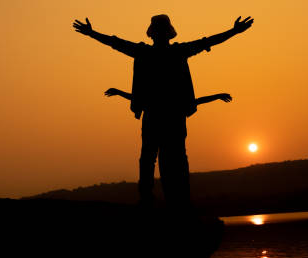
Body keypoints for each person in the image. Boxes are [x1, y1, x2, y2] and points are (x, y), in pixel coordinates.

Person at [73, 14, 253, 207]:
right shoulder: (170, 52)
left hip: (163, 116)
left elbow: (115, 43)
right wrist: (234, 31)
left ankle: (163, 199)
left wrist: (91, 33)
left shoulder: (152, 52)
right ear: (167, 33)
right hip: (167, 116)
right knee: (166, 159)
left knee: (159, 158)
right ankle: (165, 199)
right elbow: (208, 41)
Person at [104, 88, 232, 206]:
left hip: (164, 134)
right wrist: (119, 93)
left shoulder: (171, 103)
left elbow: (137, 98)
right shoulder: (166, 103)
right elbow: (195, 101)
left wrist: (217, 96)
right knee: (153, 162)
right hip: (159, 133)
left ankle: (160, 197)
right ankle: (151, 197)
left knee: (157, 163)